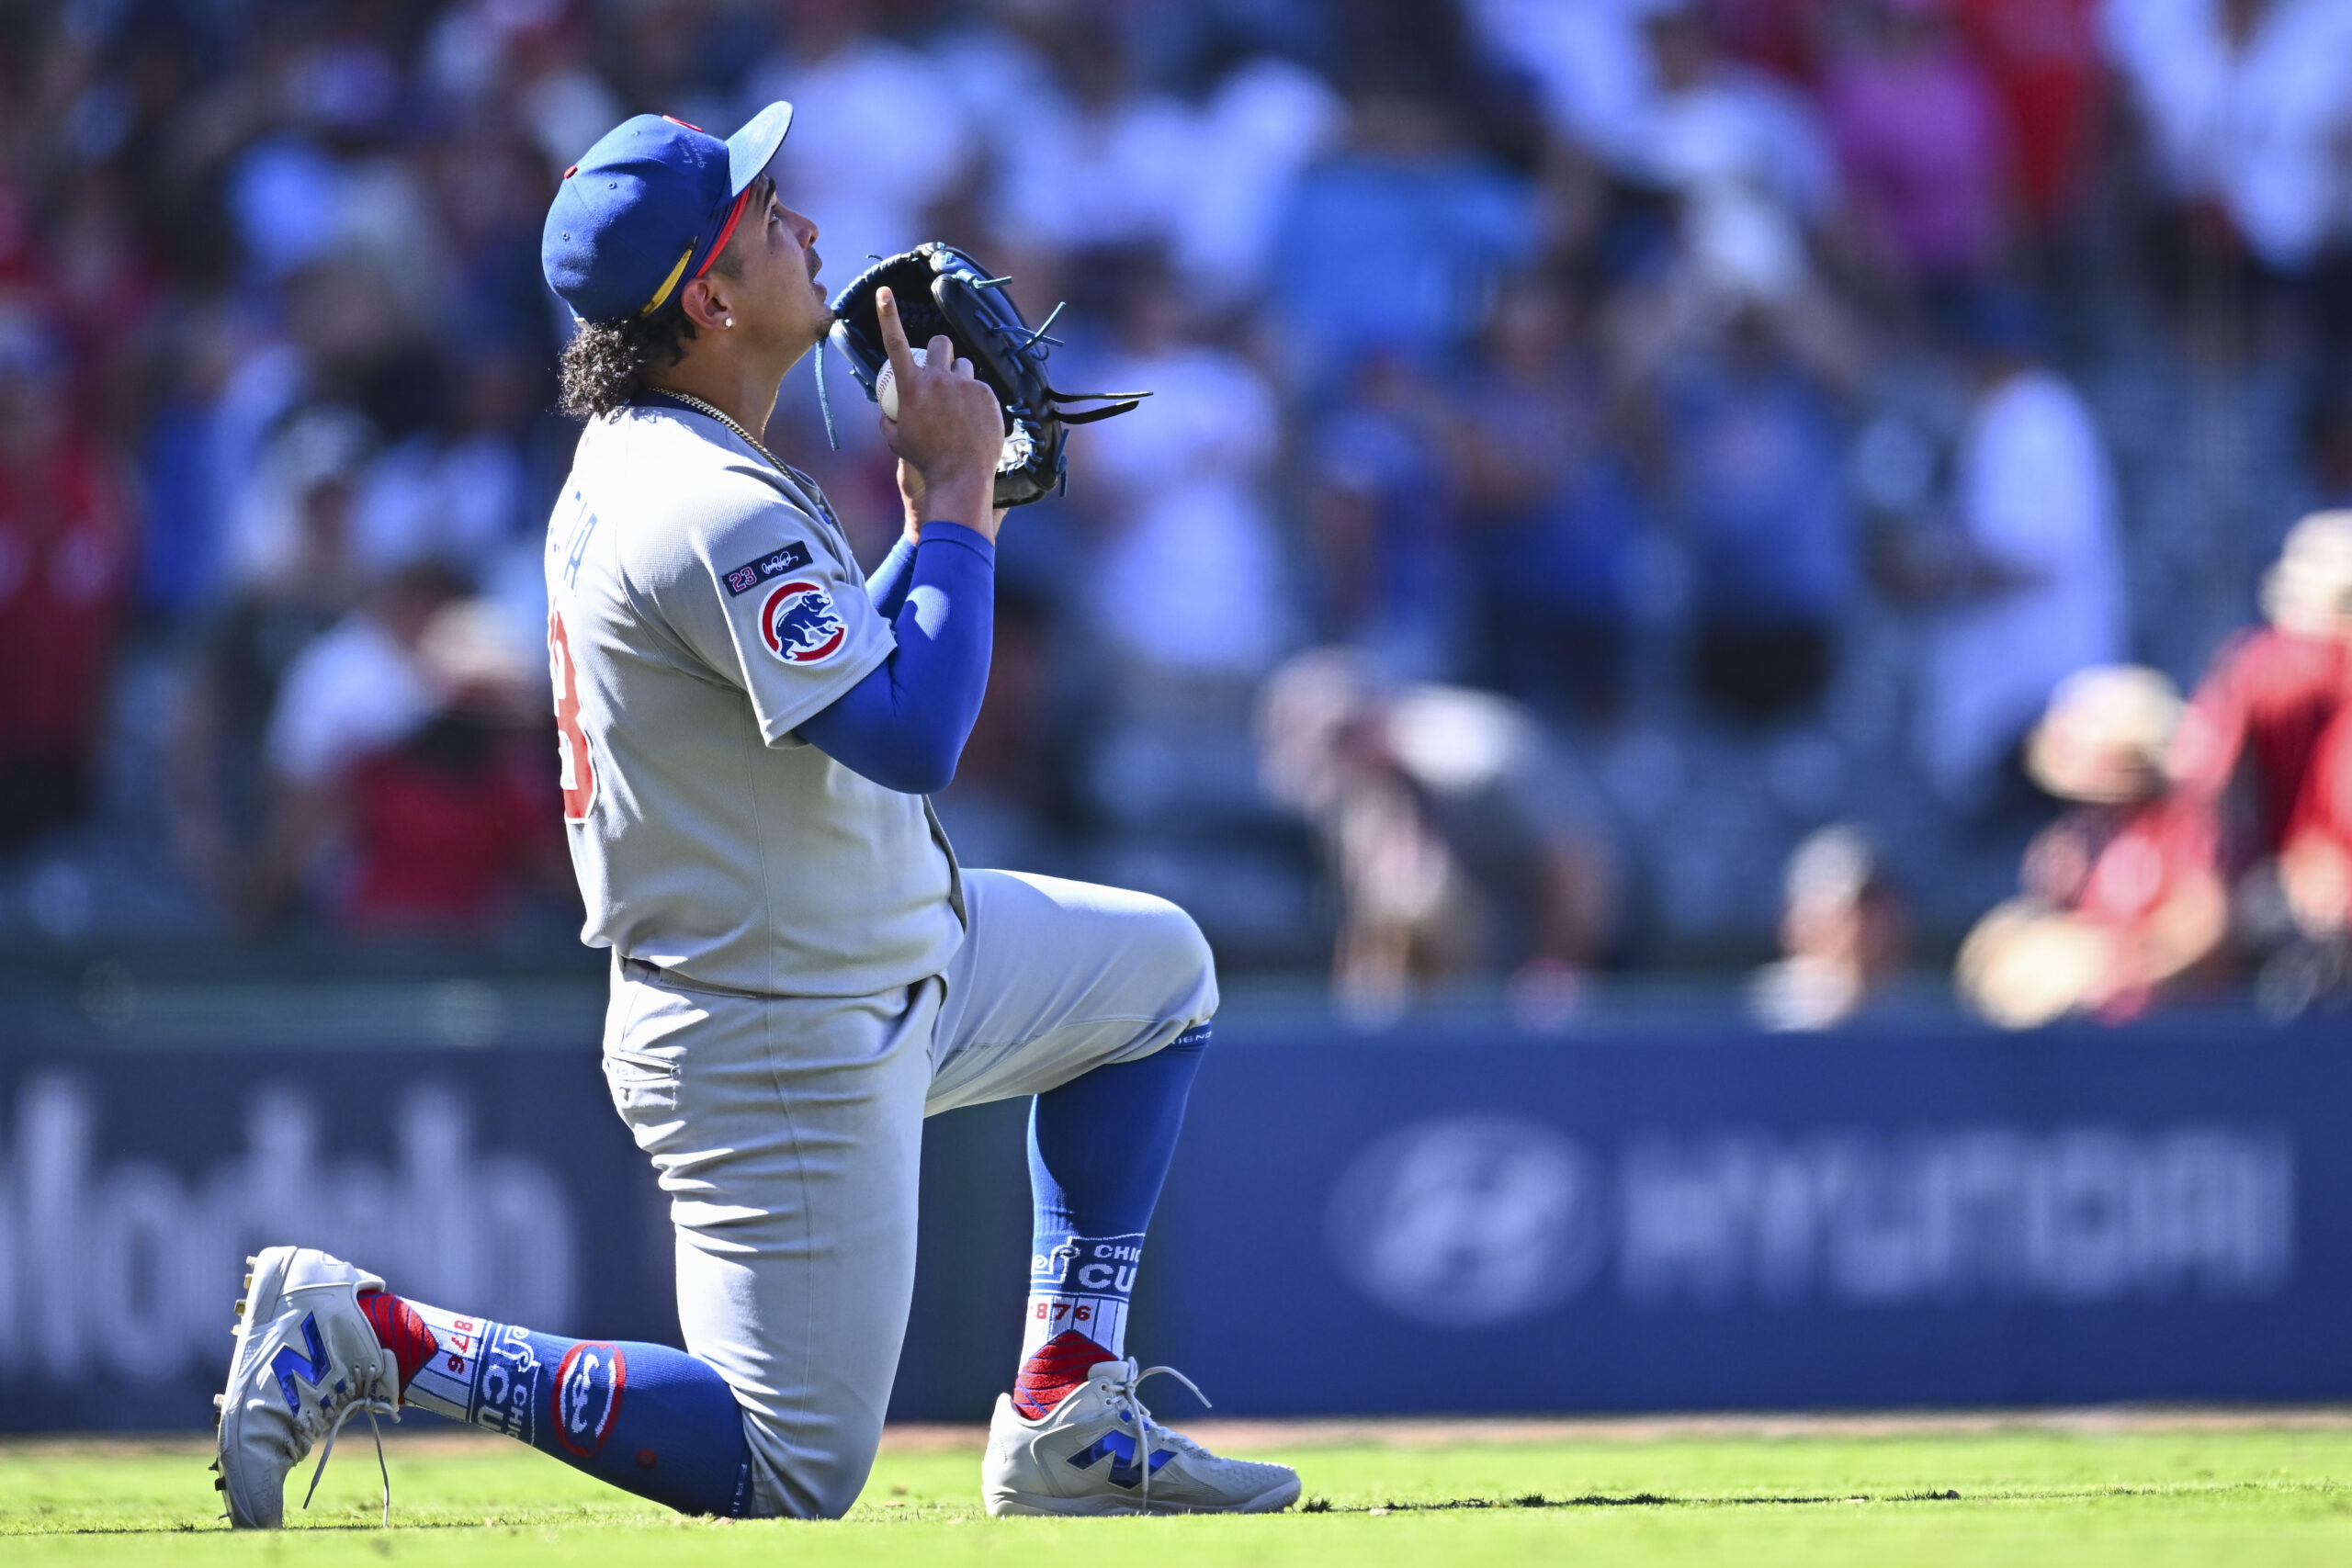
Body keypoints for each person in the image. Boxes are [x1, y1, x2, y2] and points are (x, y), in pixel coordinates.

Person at [212, 105, 1298, 1526]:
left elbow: (858, 674)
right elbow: (913, 732)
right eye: (767, 210)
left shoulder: (673, 457)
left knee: (1158, 975)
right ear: (709, 295)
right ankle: (368, 1329)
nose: (805, 223)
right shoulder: (707, 495)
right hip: (777, 1017)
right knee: (790, 1468)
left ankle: (1064, 1409)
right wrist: (960, 498)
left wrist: (936, 509)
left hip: (887, 949)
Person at [1956, 666, 2227, 1027]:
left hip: (2165, 1028)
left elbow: (2203, 934)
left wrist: (2117, 962)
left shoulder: (2184, 831)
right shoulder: (2075, 839)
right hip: (2089, 1033)